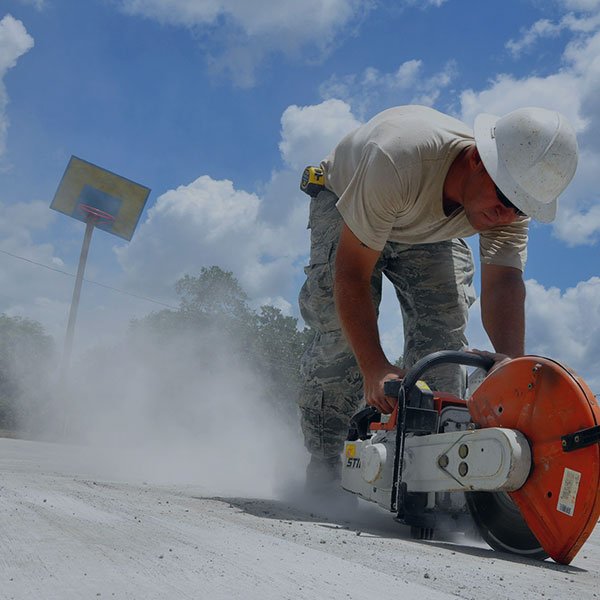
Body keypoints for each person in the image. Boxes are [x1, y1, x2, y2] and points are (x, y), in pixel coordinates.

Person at [297, 105, 578, 493]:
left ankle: (425, 477)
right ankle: (326, 471)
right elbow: (352, 274)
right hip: (351, 199)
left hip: (425, 225)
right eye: (503, 200)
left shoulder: (510, 199)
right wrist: (375, 367)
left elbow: (503, 283)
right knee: (344, 338)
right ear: (479, 159)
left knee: (443, 339)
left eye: (520, 208)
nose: (506, 215)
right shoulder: (397, 160)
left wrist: (510, 366)